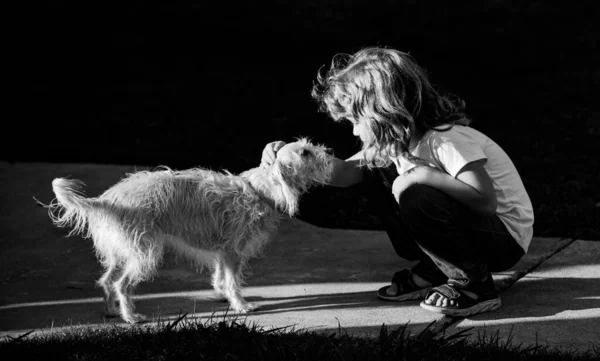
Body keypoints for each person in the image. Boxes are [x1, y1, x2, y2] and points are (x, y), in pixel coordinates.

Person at [260, 47, 534, 317]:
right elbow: (346, 173)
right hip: (475, 231)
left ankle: (474, 285)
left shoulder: (446, 140)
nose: (354, 130)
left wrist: (424, 176)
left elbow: (486, 202)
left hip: (503, 240)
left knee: (415, 193)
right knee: (378, 173)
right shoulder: (393, 146)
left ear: (383, 111)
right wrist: (292, 156)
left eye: (355, 120)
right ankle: (437, 266)